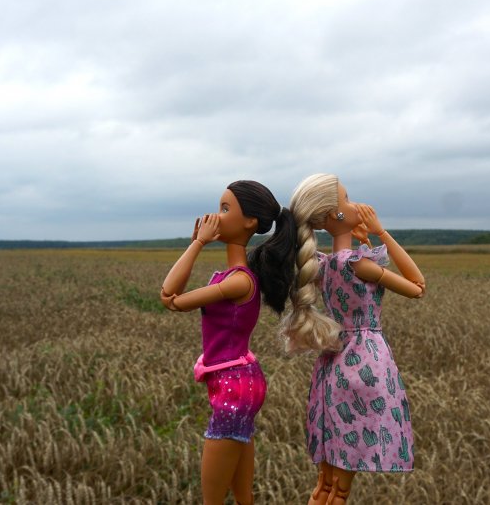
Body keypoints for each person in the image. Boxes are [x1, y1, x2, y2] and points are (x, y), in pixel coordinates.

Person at [284, 174, 426, 505]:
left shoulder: (322, 265)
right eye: (347, 200)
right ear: (333, 215)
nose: (355, 205)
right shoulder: (358, 264)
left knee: (326, 485)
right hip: (364, 364)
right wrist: (381, 233)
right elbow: (418, 286)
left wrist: (363, 240)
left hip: (331, 365)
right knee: (342, 489)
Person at [160, 180, 296, 505]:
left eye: (225, 209)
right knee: (243, 496)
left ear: (250, 222)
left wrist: (197, 244)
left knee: (213, 499)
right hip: (239, 380)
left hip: (234, 387)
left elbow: (170, 297)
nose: (216, 217)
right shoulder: (234, 277)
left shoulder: (238, 281)